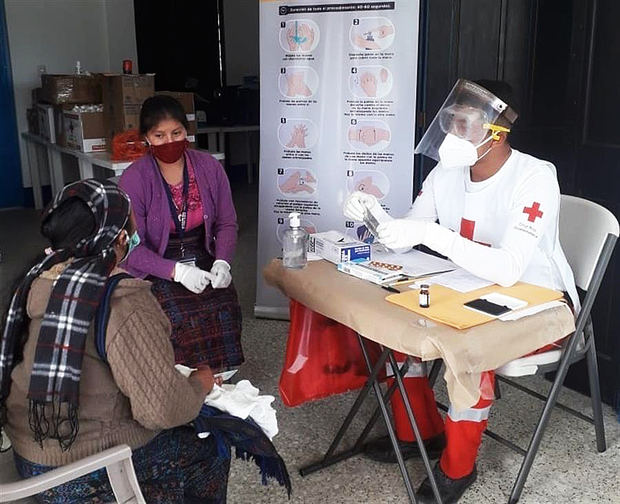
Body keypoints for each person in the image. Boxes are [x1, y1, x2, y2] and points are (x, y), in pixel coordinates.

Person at [343, 79, 578, 503]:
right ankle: (422, 432)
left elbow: (508, 269)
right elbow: (407, 235)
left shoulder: (534, 177)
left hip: (538, 302)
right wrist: (374, 216)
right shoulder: (446, 172)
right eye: (450, 123)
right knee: (396, 324)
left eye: (465, 124)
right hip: (466, 288)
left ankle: (457, 467)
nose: (453, 134)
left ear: (497, 131)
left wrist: (436, 235)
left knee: (468, 350)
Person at [0, 180, 229, 503]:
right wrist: (199, 384)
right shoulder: (122, 300)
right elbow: (161, 411)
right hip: (87, 470)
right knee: (212, 443)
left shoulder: (36, 280)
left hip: (31, 457)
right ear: (121, 238)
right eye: (131, 228)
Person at [119, 95, 243, 372]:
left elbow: (226, 223)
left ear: (186, 131)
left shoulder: (209, 168)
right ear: (146, 138)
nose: (169, 141)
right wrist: (177, 272)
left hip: (201, 252)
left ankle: (222, 377)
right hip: (156, 260)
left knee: (224, 304)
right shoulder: (135, 178)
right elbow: (130, 247)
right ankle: (186, 383)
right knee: (179, 314)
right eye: (159, 135)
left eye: (176, 133)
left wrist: (222, 261)